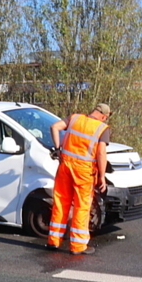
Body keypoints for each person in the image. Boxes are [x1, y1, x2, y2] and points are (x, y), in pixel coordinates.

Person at [46, 103, 112, 255]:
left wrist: (58, 149)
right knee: (81, 206)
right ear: (103, 116)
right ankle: (77, 246)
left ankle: (53, 241)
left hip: (65, 166)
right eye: (106, 118)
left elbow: (54, 127)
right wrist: (102, 176)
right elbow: (101, 153)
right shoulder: (102, 128)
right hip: (84, 171)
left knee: (61, 202)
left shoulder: (74, 118)